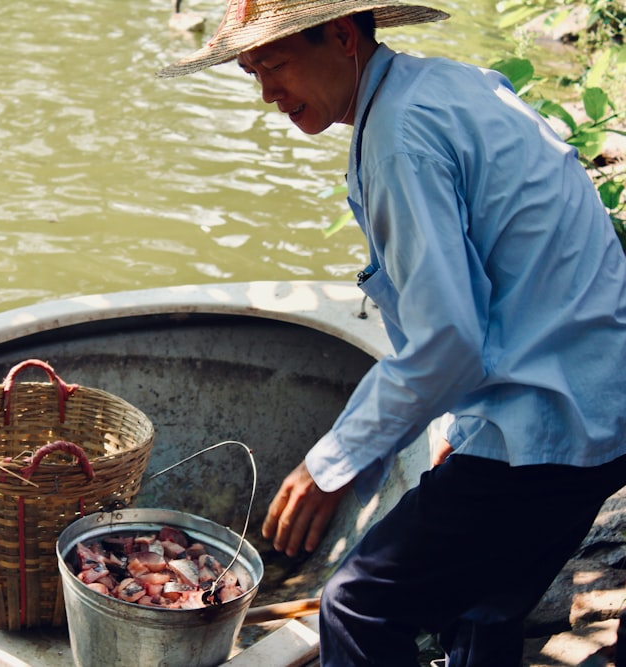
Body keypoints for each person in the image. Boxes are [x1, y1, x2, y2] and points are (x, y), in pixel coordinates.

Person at [159, 1, 626, 665]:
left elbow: (448, 340)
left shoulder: (398, 139)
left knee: (356, 604)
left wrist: (331, 464)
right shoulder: (447, 84)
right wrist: (462, 433)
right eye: (251, 71)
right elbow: (497, 303)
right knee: (483, 600)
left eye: (275, 63)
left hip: (556, 422)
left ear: (343, 37)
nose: (266, 92)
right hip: (602, 388)